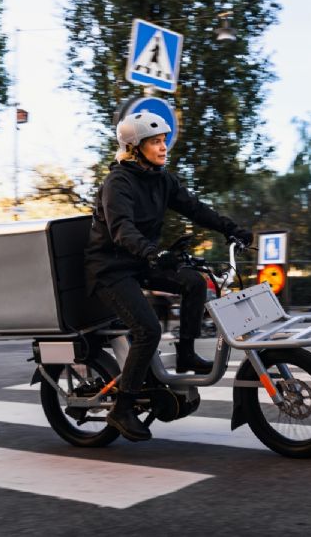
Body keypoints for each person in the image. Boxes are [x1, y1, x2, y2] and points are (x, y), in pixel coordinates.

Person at [84, 111, 252, 442]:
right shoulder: (117, 183)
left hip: (141, 261)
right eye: (156, 142)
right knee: (146, 329)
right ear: (134, 147)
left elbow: (195, 207)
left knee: (193, 281)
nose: (164, 148)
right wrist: (154, 253)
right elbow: (122, 230)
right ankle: (123, 407)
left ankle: (187, 353)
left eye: (164, 141)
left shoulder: (162, 179)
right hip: (110, 268)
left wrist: (230, 229)